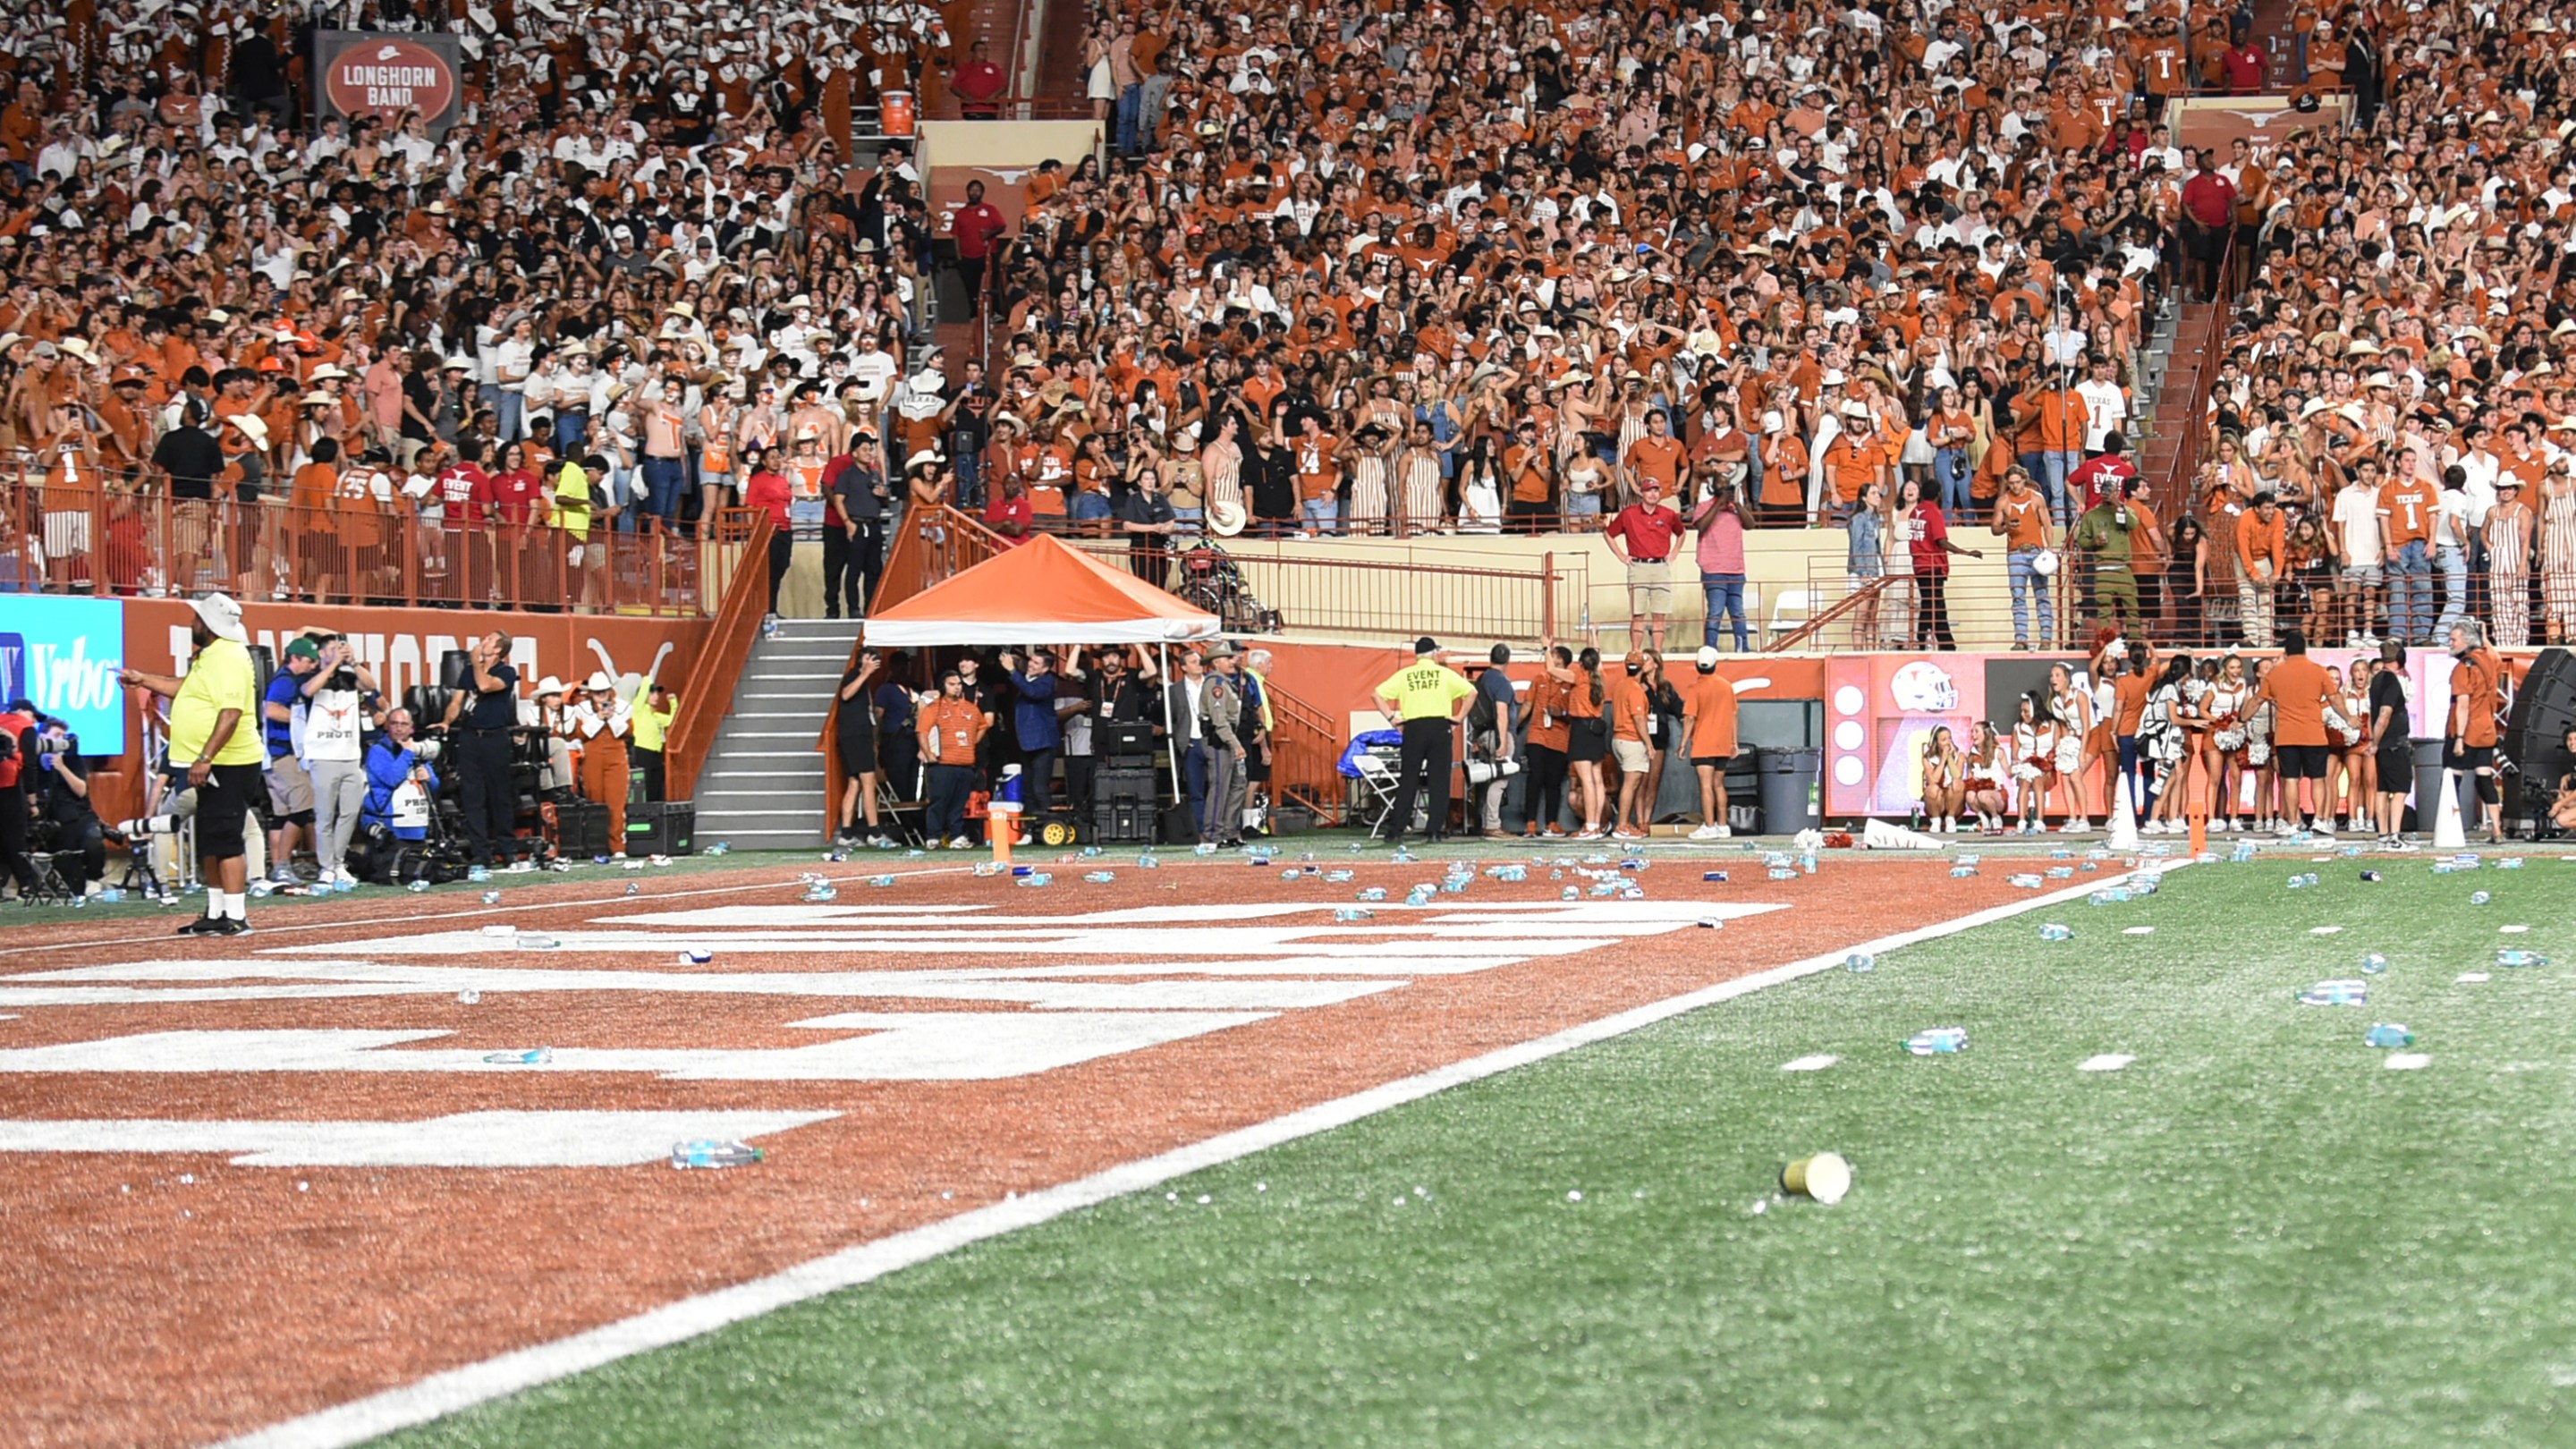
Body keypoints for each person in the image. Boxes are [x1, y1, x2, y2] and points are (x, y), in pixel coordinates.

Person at [117, 593, 265, 935]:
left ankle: (237, 916)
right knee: (213, 837)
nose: (192, 623)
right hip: (216, 762)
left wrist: (205, 757)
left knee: (226, 838)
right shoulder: (213, 655)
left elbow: (231, 714)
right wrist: (143, 679)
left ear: (209, 624)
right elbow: (186, 689)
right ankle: (216, 913)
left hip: (229, 762)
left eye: (197, 618)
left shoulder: (227, 657)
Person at [1373, 637, 1477, 847]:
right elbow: (1472, 692)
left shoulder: (1405, 675)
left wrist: (1393, 720)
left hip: (1414, 728)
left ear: (1417, 655)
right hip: (1440, 727)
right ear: (1434, 654)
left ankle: (1396, 830)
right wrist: (1459, 717)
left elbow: (1376, 694)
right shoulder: (1445, 674)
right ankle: (1434, 831)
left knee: (1408, 780)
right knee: (1439, 781)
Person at [299, 636, 379, 888]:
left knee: (350, 812)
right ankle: (326, 866)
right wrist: (332, 665)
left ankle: (338, 862)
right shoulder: (310, 677)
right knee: (325, 814)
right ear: (322, 653)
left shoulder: (348, 678)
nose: (339, 652)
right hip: (323, 756)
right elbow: (308, 691)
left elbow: (371, 685)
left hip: (350, 755)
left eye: (341, 648)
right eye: (333, 649)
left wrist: (353, 662)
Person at [442, 631, 526, 867]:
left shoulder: (506, 673)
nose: (483, 641)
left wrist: (476, 662)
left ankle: (507, 848)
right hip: (470, 737)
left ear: (498, 650)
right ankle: (481, 851)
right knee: (472, 796)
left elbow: (486, 685)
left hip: (494, 738)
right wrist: (447, 722)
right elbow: (456, 702)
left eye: (489, 640)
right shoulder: (469, 672)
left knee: (500, 795)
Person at [2252, 628, 2335, 835]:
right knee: (2318, 778)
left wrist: (2241, 718)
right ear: (2305, 649)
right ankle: (2319, 819)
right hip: (2314, 734)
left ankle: (2293, 822)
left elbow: (2257, 700)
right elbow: (2335, 699)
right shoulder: (2318, 671)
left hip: (2286, 735)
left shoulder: (2275, 674)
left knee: (2290, 779)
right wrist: (2351, 719)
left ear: (2286, 650)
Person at [259, 636, 323, 885]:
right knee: (302, 809)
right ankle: (283, 865)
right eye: (309, 660)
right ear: (295, 658)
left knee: (282, 815)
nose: (313, 665)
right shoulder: (286, 681)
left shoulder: (283, 677)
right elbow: (271, 709)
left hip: (273, 756)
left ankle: (278, 868)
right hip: (284, 754)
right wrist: (305, 722)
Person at [27, 715, 106, 896]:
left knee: (93, 842)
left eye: (63, 736)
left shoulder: (72, 759)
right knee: (72, 880)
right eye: (56, 735)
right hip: (55, 823)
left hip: (80, 816)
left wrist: (62, 768)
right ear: (42, 738)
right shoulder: (33, 766)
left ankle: (94, 879)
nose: (61, 740)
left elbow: (81, 790)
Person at [1605, 478, 1683, 652]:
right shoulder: (1628, 514)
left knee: (1660, 615)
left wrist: (1675, 553)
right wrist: (1622, 556)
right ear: (1641, 493)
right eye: (1649, 490)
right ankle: (1636, 652)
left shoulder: (1668, 514)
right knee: (1637, 614)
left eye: (1656, 490)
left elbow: (1681, 532)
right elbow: (1609, 534)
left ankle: (1657, 653)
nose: (1653, 494)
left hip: (1661, 566)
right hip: (1638, 566)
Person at [2445, 619, 2505, 843]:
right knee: (2484, 780)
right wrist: (2485, 637)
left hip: (2466, 732)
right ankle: (2497, 830)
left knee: (2452, 781)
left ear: (2466, 641)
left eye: (2454, 639)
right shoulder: (2488, 660)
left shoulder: (2464, 668)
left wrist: (2459, 738)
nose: (2450, 643)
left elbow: (2462, 704)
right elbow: (2496, 657)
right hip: (2486, 731)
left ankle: (2451, 829)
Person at [919, 669, 991, 849]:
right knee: (939, 801)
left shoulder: (971, 708)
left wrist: (973, 742)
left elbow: (983, 725)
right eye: (952, 684)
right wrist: (928, 754)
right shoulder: (934, 708)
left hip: (965, 763)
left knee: (959, 804)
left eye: (959, 684)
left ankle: (957, 836)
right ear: (943, 686)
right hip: (942, 763)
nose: (957, 688)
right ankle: (933, 837)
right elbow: (922, 731)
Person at [569, 673, 635, 857]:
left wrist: (611, 717)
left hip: (616, 756)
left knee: (616, 802)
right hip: (592, 756)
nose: (601, 695)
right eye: (597, 692)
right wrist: (599, 718)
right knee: (595, 800)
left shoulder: (624, 707)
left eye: (604, 691)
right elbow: (582, 734)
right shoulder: (581, 708)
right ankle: (596, 846)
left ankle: (618, 847)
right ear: (591, 693)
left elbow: (625, 732)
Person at [360, 708, 443, 849]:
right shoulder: (378, 751)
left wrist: (429, 779)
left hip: (416, 826)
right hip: (389, 828)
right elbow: (392, 779)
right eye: (394, 723)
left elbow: (434, 787)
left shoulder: (417, 751)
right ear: (387, 726)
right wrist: (408, 753)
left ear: (411, 728)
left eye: (404, 724)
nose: (399, 728)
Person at [1680, 646, 1738, 839]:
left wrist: (1682, 744)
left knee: (1705, 786)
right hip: (1722, 743)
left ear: (1697, 665)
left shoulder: (1695, 688)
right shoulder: (1726, 686)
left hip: (1703, 743)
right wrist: (1734, 743)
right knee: (1719, 785)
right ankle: (1723, 825)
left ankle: (1710, 825)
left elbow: (1690, 718)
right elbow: (1734, 714)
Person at [1994, 467, 2055, 650]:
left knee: (2042, 595)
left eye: (2018, 482)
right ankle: (2021, 639)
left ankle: (2046, 639)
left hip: (2037, 552)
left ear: (2024, 480)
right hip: (2015, 553)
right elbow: (1994, 528)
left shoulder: (2036, 498)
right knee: (2018, 596)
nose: (2015, 486)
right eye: (2011, 483)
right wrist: (2006, 527)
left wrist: (2049, 550)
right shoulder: (2003, 501)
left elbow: (2047, 525)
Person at [1004, 648, 1063, 832]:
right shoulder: (1027, 678)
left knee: (1040, 787)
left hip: (1043, 742)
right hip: (1026, 742)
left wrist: (1013, 672)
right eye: (1031, 660)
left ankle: (1047, 826)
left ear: (1045, 668)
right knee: (1028, 788)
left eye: (1036, 663)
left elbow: (1033, 693)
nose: (1031, 664)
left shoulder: (1047, 681)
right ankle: (1031, 828)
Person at [835, 648, 889, 847]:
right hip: (855, 736)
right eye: (869, 659)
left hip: (859, 736)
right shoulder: (855, 675)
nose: (872, 663)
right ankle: (874, 832)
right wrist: (865, 672)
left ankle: (846, 834)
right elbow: (846, 694)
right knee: (869, 781)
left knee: (855, 783)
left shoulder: (864, 681)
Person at [1199, 642, 1251, 847]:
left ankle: (1228, 831)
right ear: (1216, 662)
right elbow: (1219, 719)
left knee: (1238, 784)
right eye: (1228, 658)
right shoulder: (1216, 684)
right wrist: (1235, 744)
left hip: (1227, 738)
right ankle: (1213, 834)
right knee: (1220, 786)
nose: (1233, 661)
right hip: (1219, 740)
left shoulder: (1225, 683)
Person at [1465, 646, 1519, 838]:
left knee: (1487, 780)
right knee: (1500, 781)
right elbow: (1501, 713)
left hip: (1482, 734)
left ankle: (1482, 822)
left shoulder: (1482, 679)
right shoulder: (1502, 682)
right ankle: (1493, 825)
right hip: (1497, 735)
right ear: (1508, 660)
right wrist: (1502, 741)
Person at [2367, 641, 2415, 849]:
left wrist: (2374, 740)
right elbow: (2384, 715)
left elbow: (2374, 715)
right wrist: (2375, 742)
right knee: (2401, 789)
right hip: (2394, 744)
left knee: (2383, 790)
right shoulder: (2390, 682)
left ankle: (2384, 835)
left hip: (2385, 745)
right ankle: (2394, 836)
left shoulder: (2377, 680)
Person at [1693, 484, 1752, 652]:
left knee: (1738, 614)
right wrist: (1718, 504)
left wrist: (1738, 504)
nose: (1727, 490)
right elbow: (1701, 526)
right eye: (1723, 486)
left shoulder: (1736, 509)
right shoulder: (1704, 507)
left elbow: (1750, 525)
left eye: (1730, 488)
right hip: (1713, 570)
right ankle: (1710, 649)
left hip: (1736, 569)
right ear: (1714, 488)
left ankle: (1742, 649)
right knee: (1715, 612)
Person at [1523, 647, 1572, 838]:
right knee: (1535, 778)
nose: (1552, 659)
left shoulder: (1571, 683)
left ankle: (1552, 823)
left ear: (1563, 661)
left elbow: (1576, 714)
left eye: (1556, 657)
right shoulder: (1539, 679)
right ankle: (1531, 824)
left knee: (1554, 783)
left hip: (1560, 739)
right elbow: (1527, 704)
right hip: (1537, 735)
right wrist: (1513, 727)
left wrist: (1562, 714)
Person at [631, 682, 675, 803]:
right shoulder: (638, 709)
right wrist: (648, 679)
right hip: (643, 751)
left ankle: (656, 811)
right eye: (652, 693)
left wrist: (673, 703)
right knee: (645, 786)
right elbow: (641, 693)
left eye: (657, 693)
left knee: (657, 785)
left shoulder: (655, 715)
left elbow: (673, 721)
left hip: (656, 753)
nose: (656, 696)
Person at [1919, 726, 1966, 835]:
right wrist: (1943, 760)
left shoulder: (1960, 756)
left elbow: (1957, 775)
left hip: (1953, 800)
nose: (1948, 742)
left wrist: (1950, 758)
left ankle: (1950, 818)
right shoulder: (1927, 759)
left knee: (1958, 783)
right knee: (1932, 789)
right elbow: (1933, 780)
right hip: (1937, 801)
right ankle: (1936, 820)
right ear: (1936, 742)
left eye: (1949, 738)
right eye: (1944, 740)